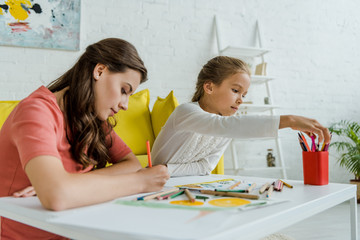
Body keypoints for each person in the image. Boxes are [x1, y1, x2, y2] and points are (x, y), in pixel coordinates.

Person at [0, 38, 169, 239]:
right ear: (99, 71)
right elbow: (57, 195)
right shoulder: (36, 111)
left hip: (75, 230)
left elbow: (130, 163)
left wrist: (74, 183)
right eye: (124, 90)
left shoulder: (91, 118)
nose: (125, 104)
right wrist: (141, 182)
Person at [151, 56, 331, 177]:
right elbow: (224, 126)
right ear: (209, 87)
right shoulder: (186, 112)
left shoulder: (224, 127)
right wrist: (289, 120)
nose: (240, 100)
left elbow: (205, 167)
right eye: (235, 90)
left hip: (181, 184)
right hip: (154, 185)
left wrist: (166, 170)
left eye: (243, 95)